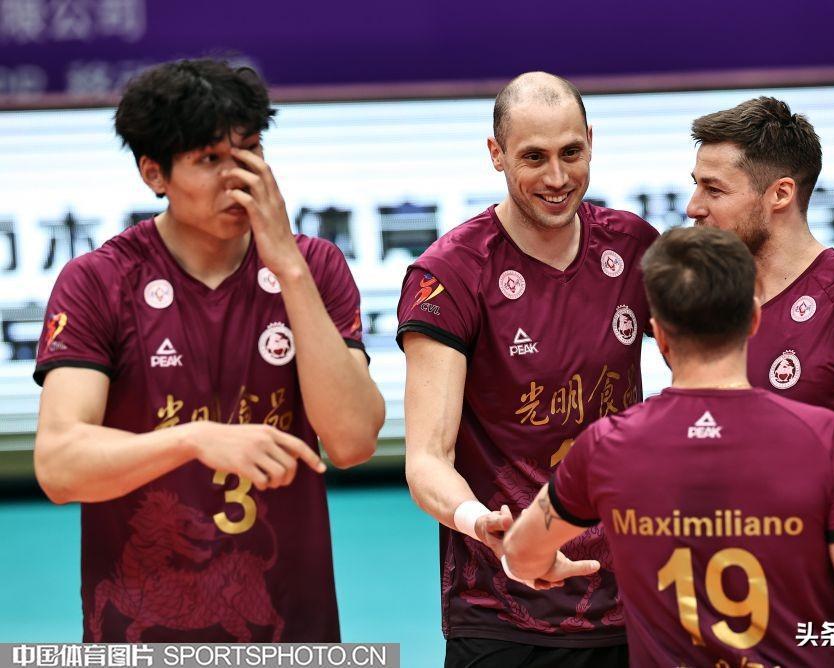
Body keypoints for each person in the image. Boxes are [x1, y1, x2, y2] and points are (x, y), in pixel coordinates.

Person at [32, 58, 385, 642]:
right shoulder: (99, 280)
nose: (237, 178)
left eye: (249, 151)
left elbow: (352, 442)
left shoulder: (313, 267)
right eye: (209, 159)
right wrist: (194, 439)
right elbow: (58, 467)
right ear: (154, 173)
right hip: (137, 639)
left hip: (291, 635)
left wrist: (288, 269)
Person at [504, 226, 834, 668]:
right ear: (754, 319)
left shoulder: (606, 445)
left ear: (659, 335)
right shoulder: (826, 439)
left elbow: (520, 553)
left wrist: (541, 565)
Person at [396, 71, 659, 667]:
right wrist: (480, 522)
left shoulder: (634, 247)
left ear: (592, 141)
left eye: (572, 152)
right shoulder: (451, 274)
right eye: (533, 157)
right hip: (501, 612)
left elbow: (706, 371)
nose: (557, 178)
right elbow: (426, 460)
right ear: (496, 154)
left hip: (634, 604)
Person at [684, 97, 834, 580]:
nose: (694, 206)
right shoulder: (708, 303)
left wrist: (757, 515)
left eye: (714, 189)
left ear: (780, 194)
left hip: (828, 618)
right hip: (723, 611)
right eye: (696, 185)